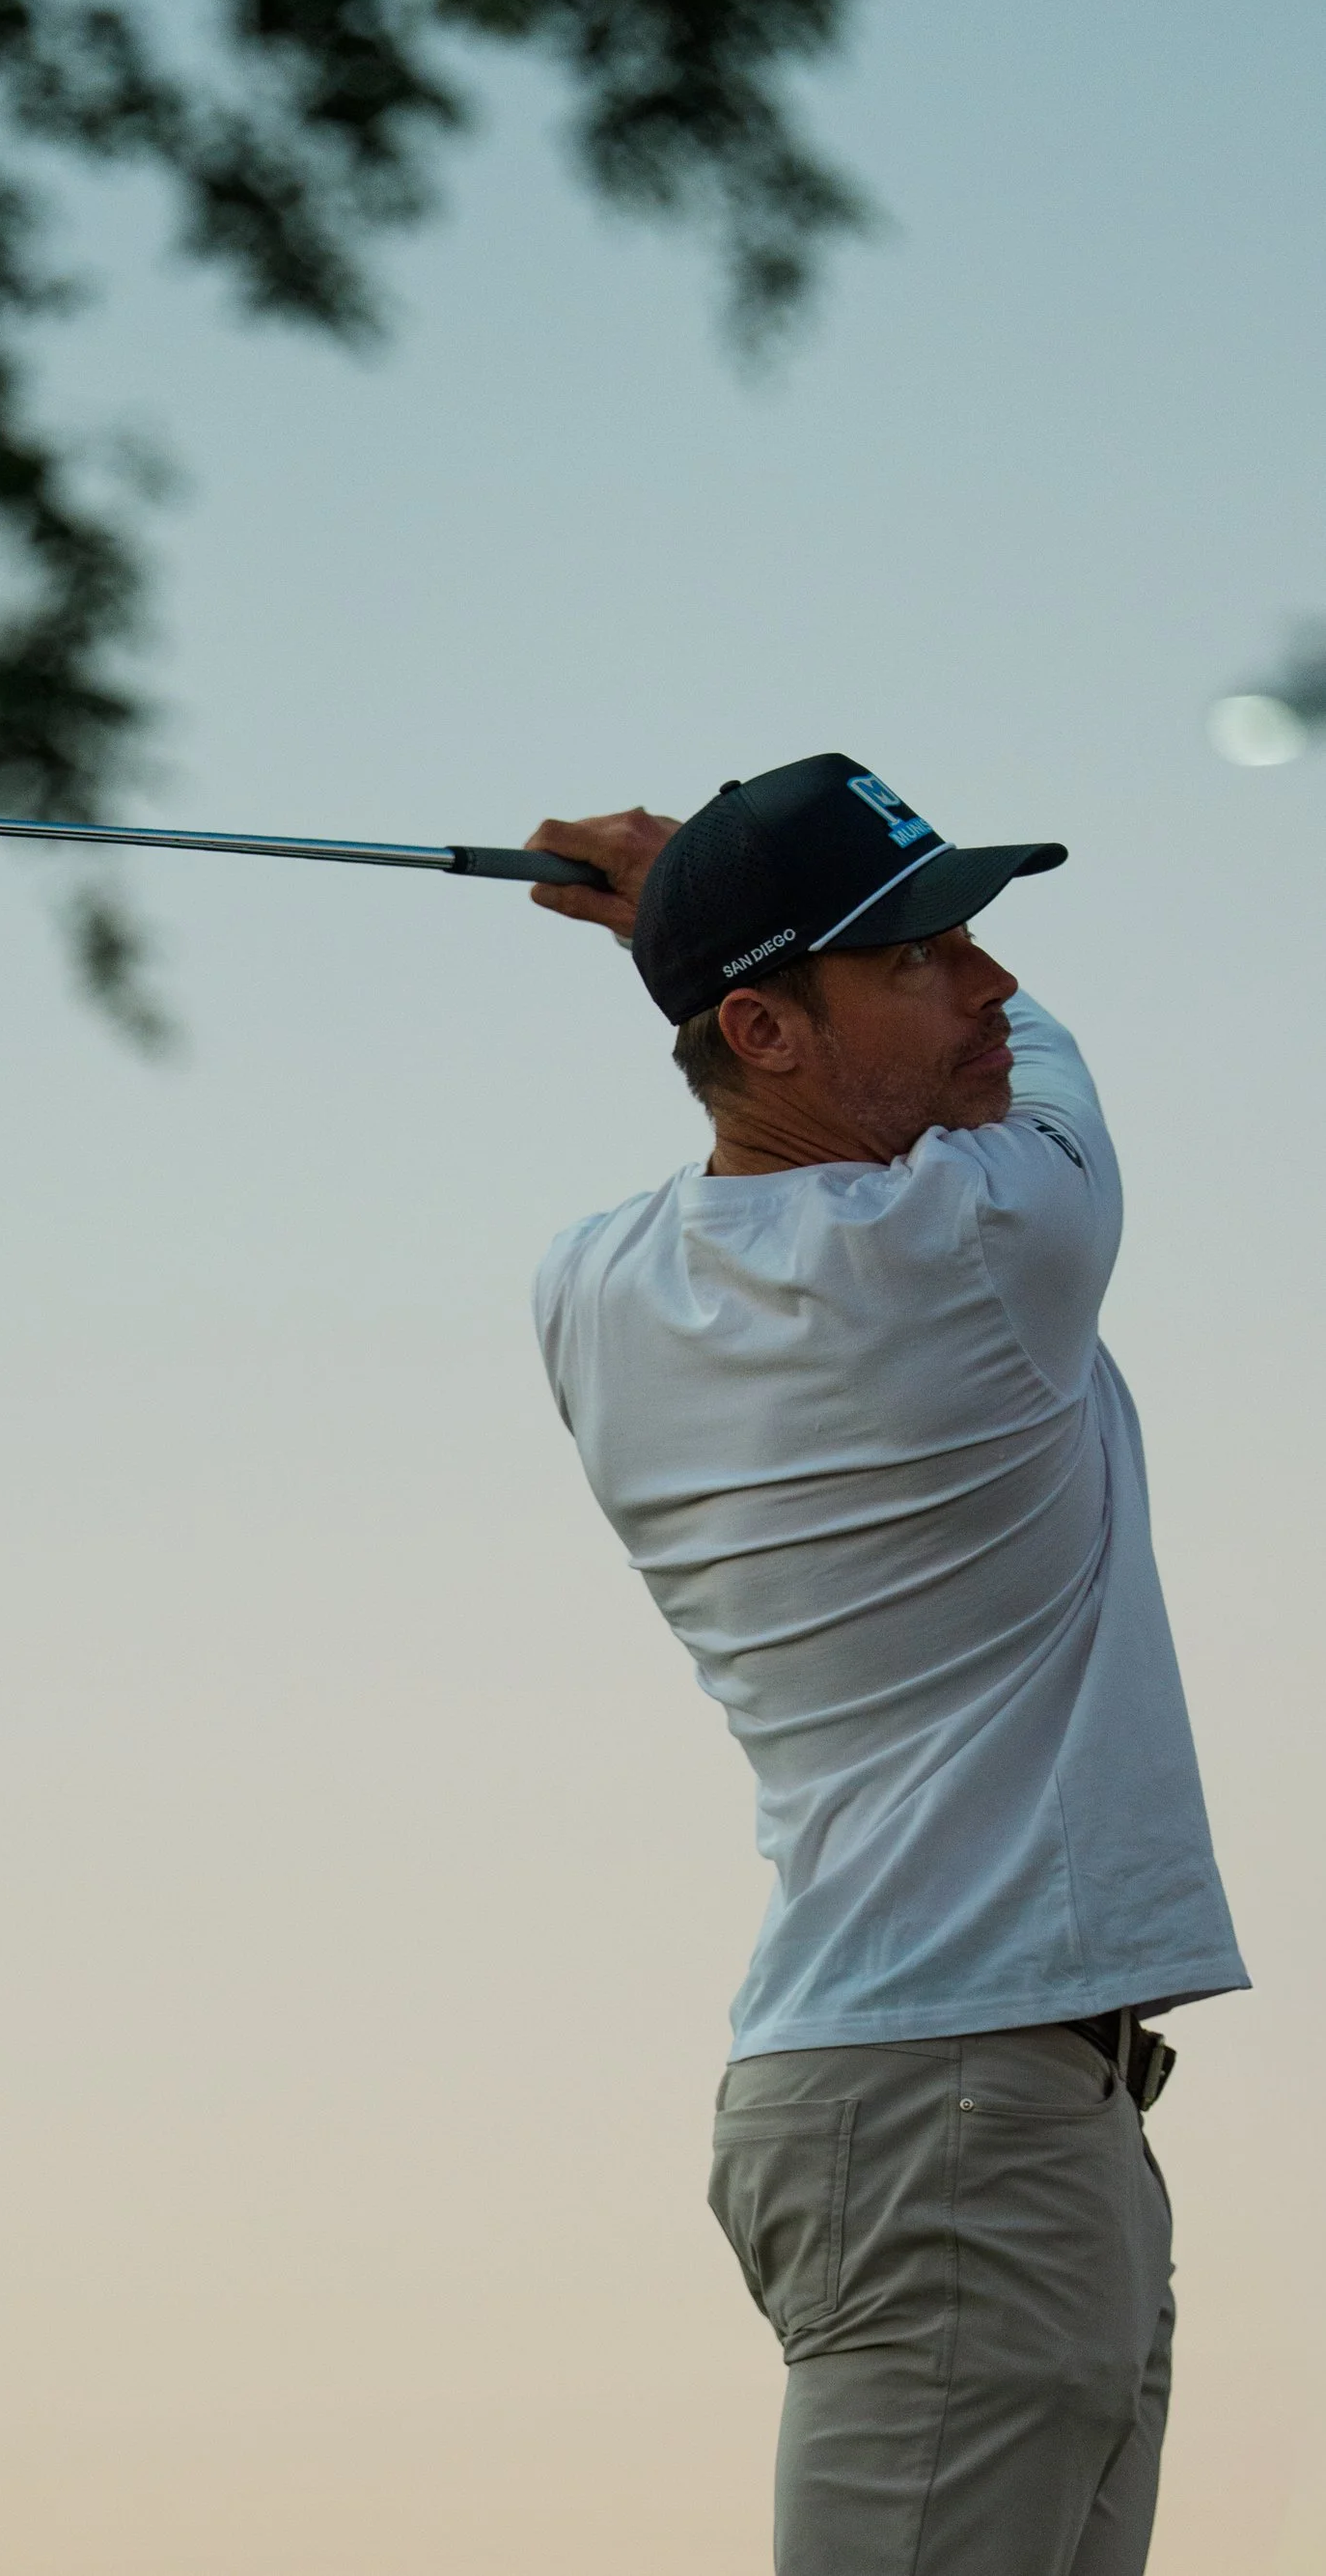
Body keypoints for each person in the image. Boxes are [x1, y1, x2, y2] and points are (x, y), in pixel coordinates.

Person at [523, 752, 1245, 2576]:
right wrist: (673, 901)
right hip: (953, 2119)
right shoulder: (994, 1242)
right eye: (923, 954)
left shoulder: (593, 1288)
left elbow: (779, 1086)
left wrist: (696, 933)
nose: (993, 981)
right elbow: (1039, 1077)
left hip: (965, 2107)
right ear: (764, 1027)